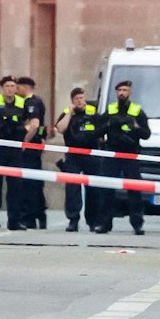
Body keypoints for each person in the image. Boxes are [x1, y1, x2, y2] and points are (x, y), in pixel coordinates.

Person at [93, 79, 151, 235]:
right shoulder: (110, 110)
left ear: (130, 92)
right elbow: (97, 131)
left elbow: (147, 134)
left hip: (130, 154)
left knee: (134, 190)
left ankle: (137, 224)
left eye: (125, 90)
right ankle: (104, 224)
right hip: (112, 153)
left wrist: (136, 128)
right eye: (119, 90)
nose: (122, 93)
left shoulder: (137, 111)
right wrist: (108, 125)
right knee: (107, 189)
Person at [0, 76, 34, 230]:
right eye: (7, 86)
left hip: (15, 148)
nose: (10, 88)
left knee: (15, 187)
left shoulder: (22, 102)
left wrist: (24, 134)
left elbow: (30, 122)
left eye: (13, 86)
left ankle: (14, 221)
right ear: (2, 87)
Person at [56, 88, 103, 232]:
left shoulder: (93, 112)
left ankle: (93, 221)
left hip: (91, 154)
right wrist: (69, 112)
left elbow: (102, 130)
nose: (79, 101)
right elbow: (60, 128)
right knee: (72, 189)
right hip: (73, 155)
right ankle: (73, 219)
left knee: (94, 189)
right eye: (76, 98)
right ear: (72, 100)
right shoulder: (67, 113)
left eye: (81, 98)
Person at [13, 75, 48, 229]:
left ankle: (29, 217)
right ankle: (40, 214)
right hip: (36, 146)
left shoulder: (31, 102)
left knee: (28, 183)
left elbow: (34, 125)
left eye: (18, 87)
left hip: (30, 148)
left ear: (25, 87)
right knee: (35, 182)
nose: (16, 90)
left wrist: (24, 142)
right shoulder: (39, 100)